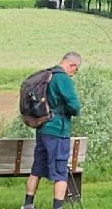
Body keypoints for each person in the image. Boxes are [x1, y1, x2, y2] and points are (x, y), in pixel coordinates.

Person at [25, 52, 83, 209]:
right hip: (58, 130)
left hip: (42, 128)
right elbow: (75, 106)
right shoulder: (63, 79)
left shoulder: (48, 75)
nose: (73, 74)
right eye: (75, 70)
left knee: (37, 169)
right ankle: (57, 207)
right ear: (72, 65)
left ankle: (28, 204)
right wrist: (71, 110)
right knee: (60, 172)